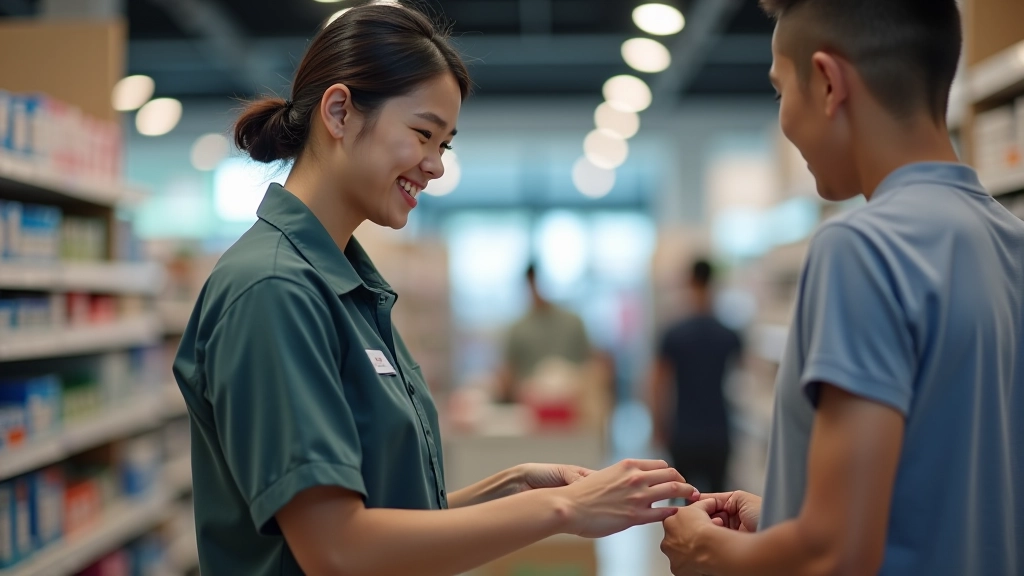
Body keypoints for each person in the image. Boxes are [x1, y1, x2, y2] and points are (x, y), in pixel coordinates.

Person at [171, 5, 697, 576]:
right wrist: (564, 508)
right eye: (423, 134)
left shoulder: (347, 285)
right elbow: (336, 547)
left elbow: (388, 519)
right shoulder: (274, 289)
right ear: (341, 112)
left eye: (444, 144)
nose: (436, 166)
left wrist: (514, 484)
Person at [659, 1, 1024, 575]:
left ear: (829, 83)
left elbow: (836, 555)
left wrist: (703, 550)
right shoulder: (1011, 241)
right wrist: (783, 516)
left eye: (781, 92)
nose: (784, 121)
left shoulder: (861, 247)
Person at [649, 259, 742, 494]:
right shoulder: (729, 334)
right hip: (719, 431)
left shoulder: (674, 334)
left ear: (690, 281)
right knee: (719, 502)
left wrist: (658, 426)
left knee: (681, 501)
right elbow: (740, 381)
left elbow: (659, 384)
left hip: (683, 432)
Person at [498, 263, 591, 403]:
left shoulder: (573, 322)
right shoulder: (517, 329)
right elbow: (509, 373)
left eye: (539, 283)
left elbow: (590, 363)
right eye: (531, 284)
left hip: (571, 403)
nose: (536, 289)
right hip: (531, 403)